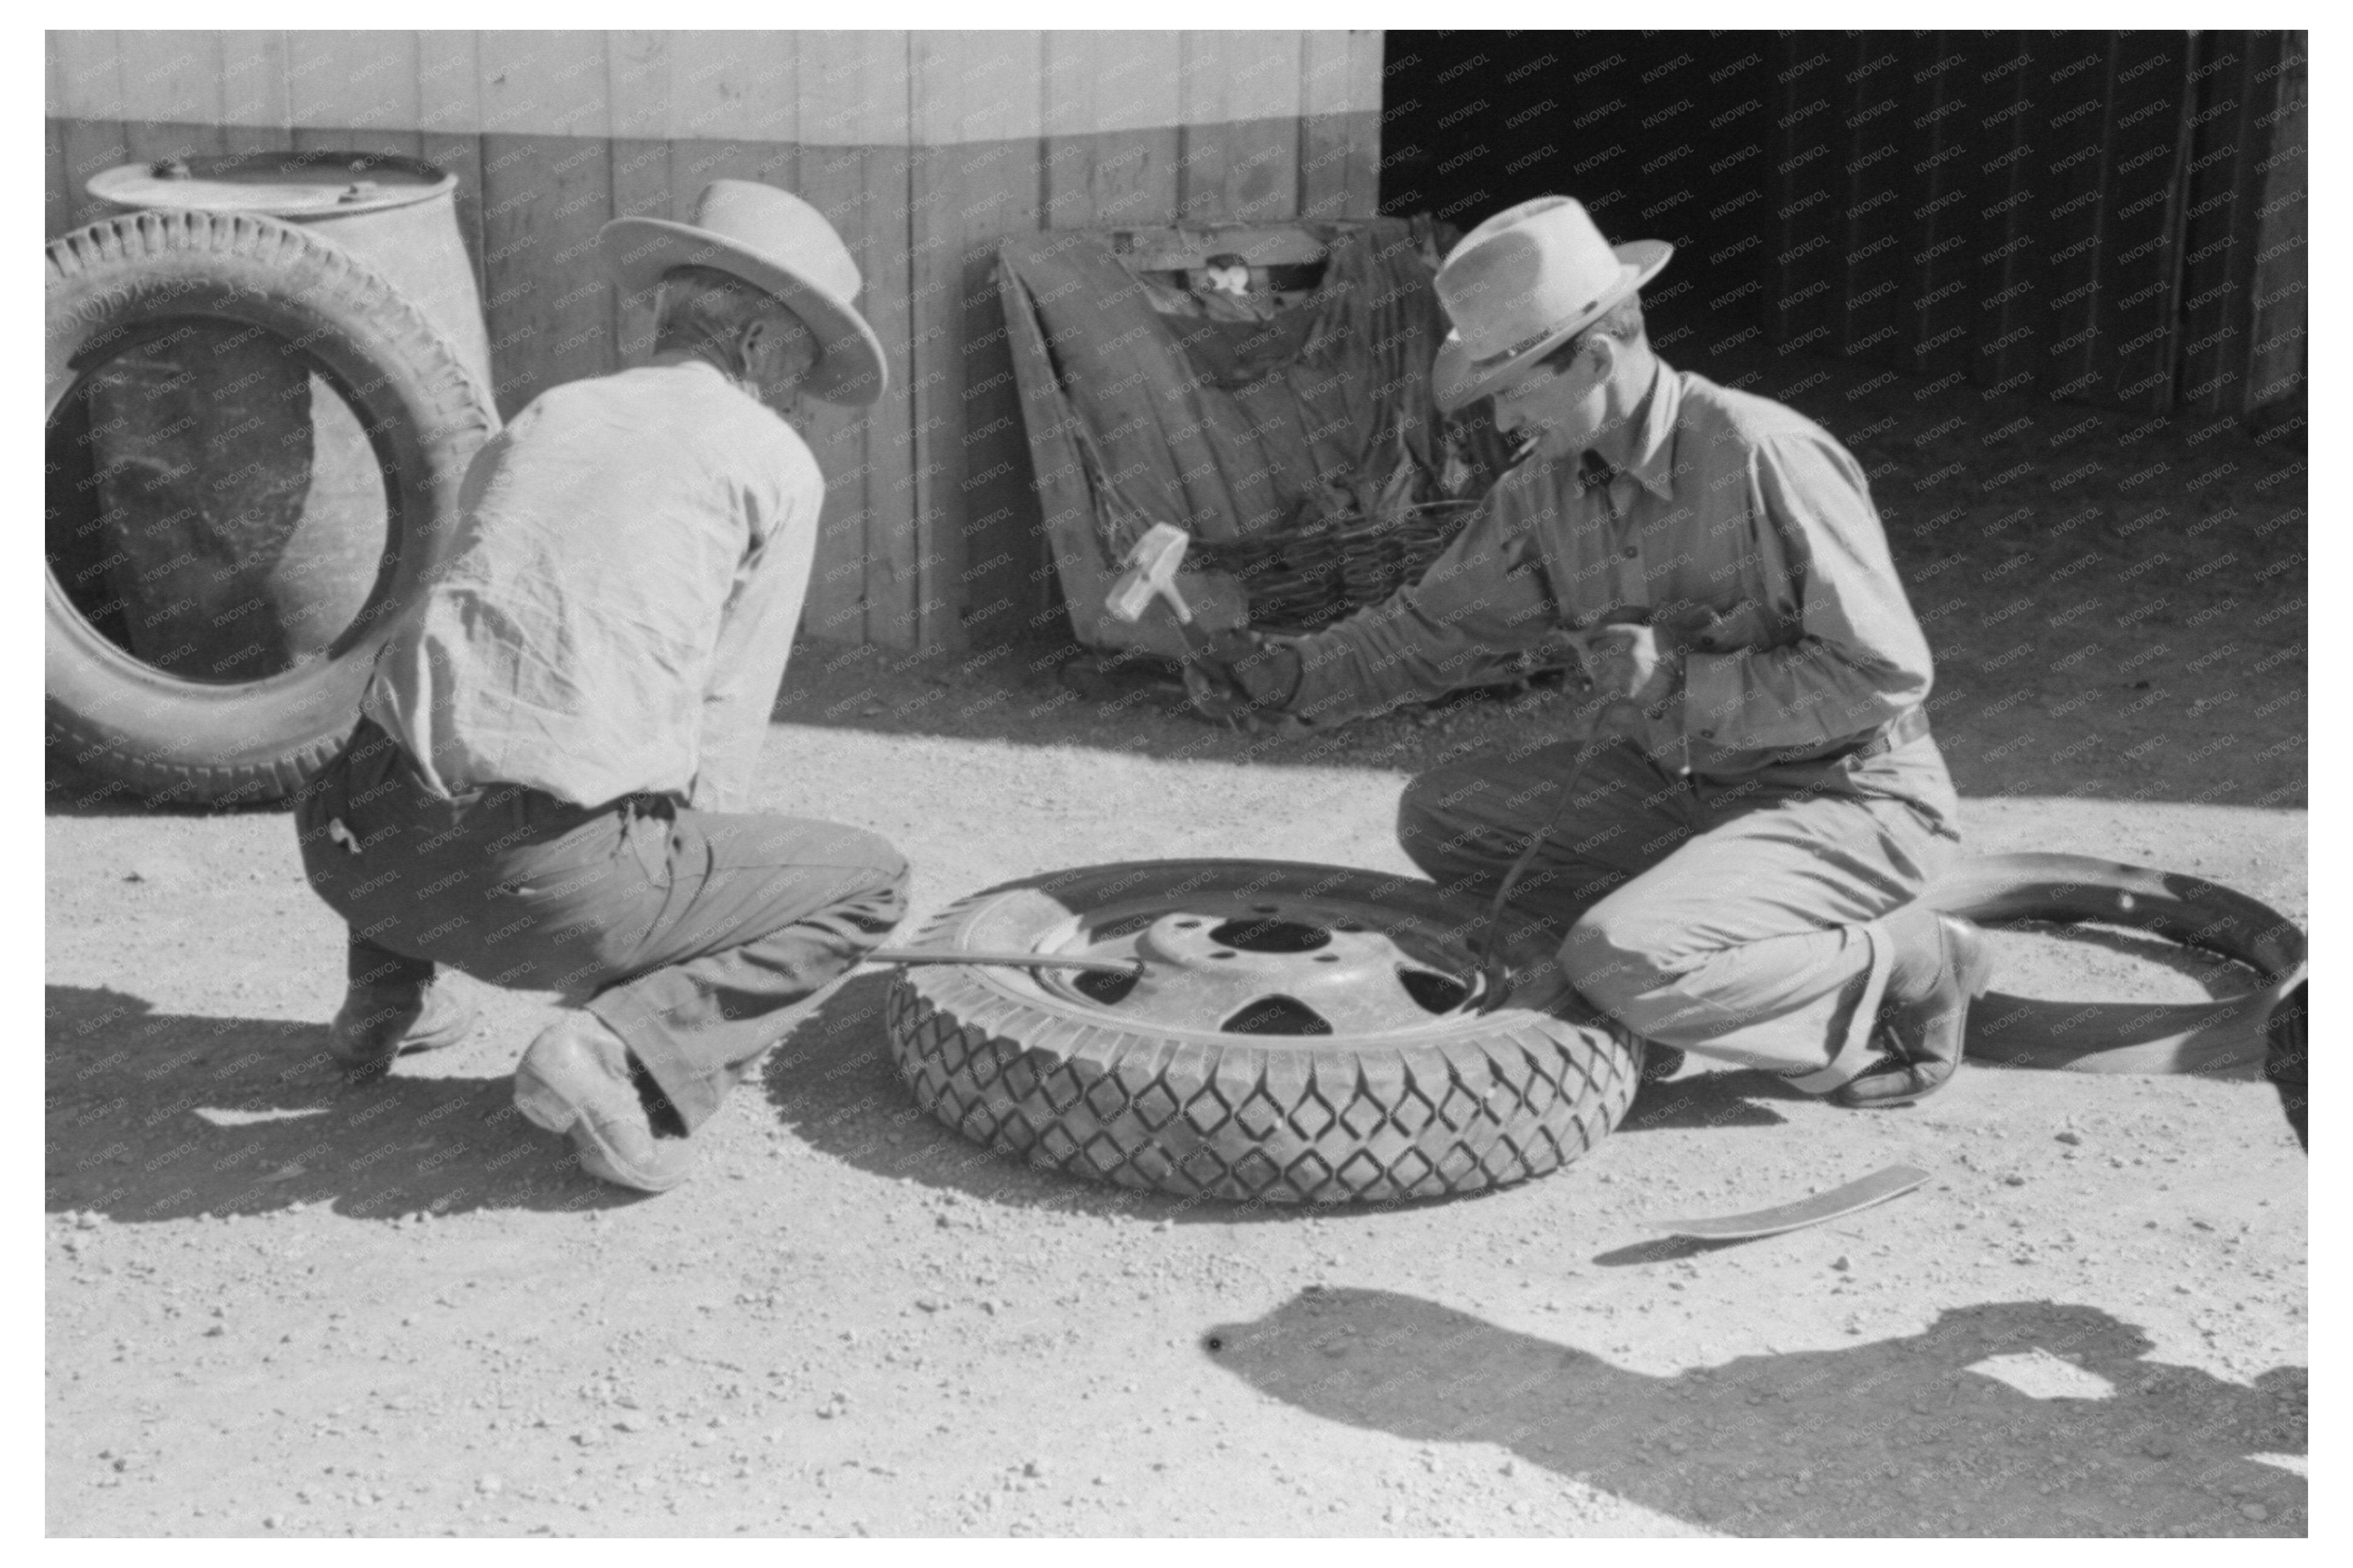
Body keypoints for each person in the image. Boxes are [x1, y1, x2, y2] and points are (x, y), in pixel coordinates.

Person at [1187, 195, 1989, 1106]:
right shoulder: (1544, 489)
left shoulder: (1764, 454)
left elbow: (1882, 675)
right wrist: (1292, 673)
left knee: (1624, 955)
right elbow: (1431, 631)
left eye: (1515, 386)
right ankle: (1678, 972)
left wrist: (1680, 680)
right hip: (1688, 787)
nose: (1497, 423)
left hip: (1845, 796)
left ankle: (1907, 958)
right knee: (1446, 816)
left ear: (1598, 358)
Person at [295, 180, 909, 1192]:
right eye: (801, 358)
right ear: (757, 343)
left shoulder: (553, 411)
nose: (800, 390)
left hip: (353, 847)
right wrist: (672, 932)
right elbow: (727, 713)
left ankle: (380, 1002)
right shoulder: (773, 461)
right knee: (869, 878)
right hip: (538, 890)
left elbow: (459, 617)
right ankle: (612, 1054)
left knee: (438, 694)